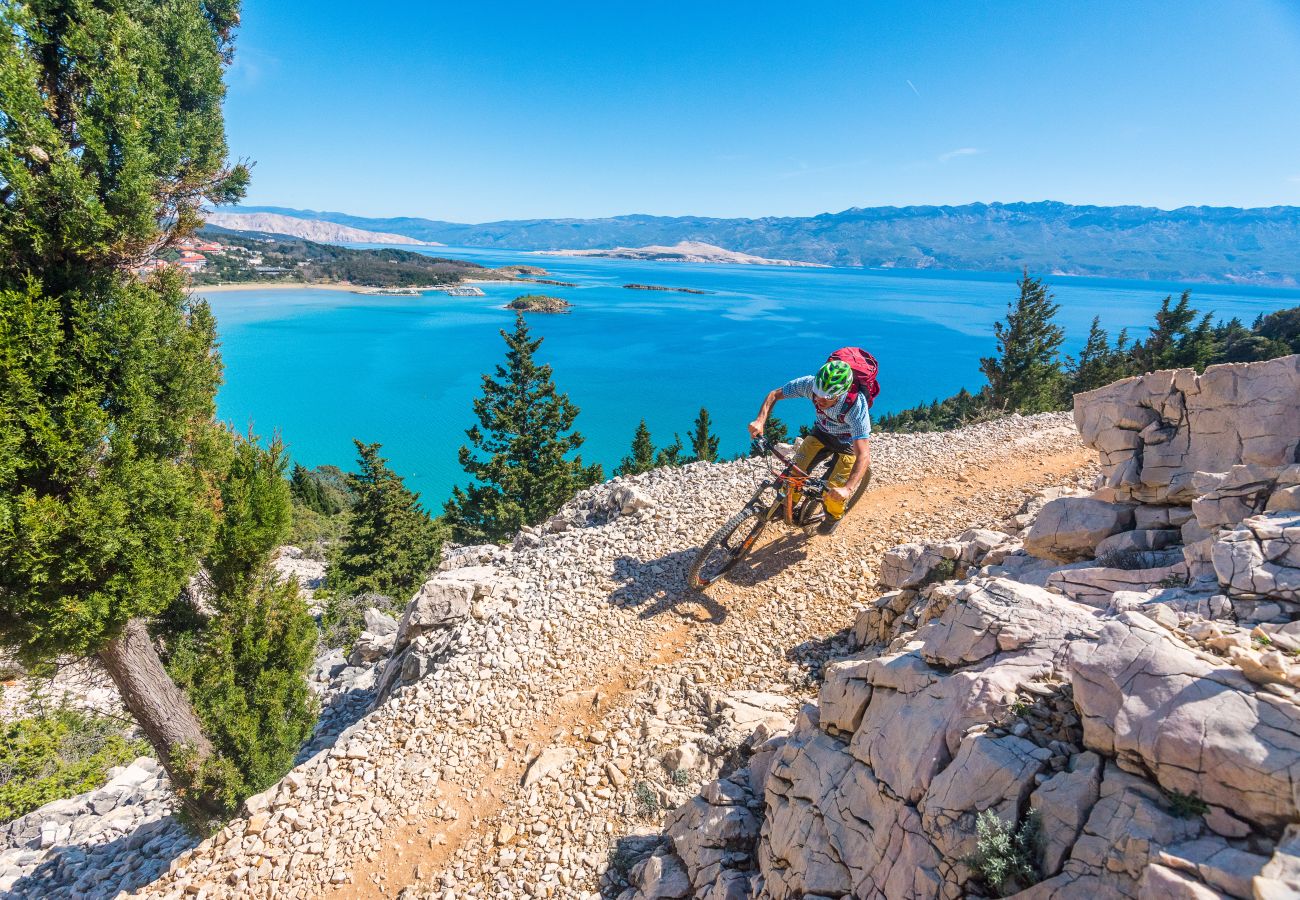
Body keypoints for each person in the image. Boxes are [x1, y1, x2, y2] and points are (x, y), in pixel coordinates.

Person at [747, 359, 872, 535]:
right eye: (817, 393)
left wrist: (847, 489)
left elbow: (864, 455)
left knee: (833, 492)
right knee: (794, 473)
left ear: (840, 393)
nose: (819, 400)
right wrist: (760, 421)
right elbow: (775, 394)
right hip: (821, 433)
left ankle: (833, 517)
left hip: (847, 445)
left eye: (827, 397)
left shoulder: (856, 407)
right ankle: (788, 505)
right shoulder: (810, 384)